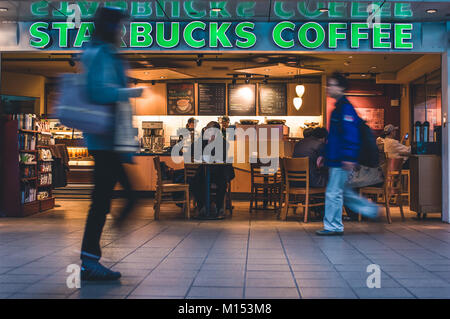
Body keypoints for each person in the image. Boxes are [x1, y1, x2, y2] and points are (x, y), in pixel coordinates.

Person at [79, 7, 143, 281]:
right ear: (110, 28)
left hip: (108, 139)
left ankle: (91, 256)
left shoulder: (101, 52)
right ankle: (90, 259)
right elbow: (97, 91)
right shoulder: (101, 53)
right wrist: (129, 91)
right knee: (107, 200)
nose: (123, 31)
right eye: (120, 26)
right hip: (105, 139)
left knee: (110, 199)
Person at [316, 73, 379, 236]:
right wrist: (324, 154)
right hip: (336, 158)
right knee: (341, 191)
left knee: (333, 192)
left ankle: (333, 226)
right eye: (328, 84)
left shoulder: (345, 108)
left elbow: (351, 134)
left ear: (341, 87)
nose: (328, 88)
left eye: (332, 84)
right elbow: (334, 136)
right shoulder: (338, 108)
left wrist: (349, 157)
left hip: (340, 160)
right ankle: (370, 209)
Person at [191, 121, 235, 217]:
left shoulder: (223, 142)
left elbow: (220, 156)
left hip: (218, 171)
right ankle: (202, 206)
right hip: (204, 171)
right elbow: (191, 149)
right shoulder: (202, 140)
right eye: (206, 129)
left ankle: (220, 208)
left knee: (222, 183)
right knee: (195, 182)